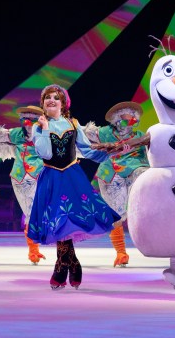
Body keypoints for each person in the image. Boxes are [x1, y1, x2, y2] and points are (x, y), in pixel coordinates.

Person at [27, 84, 120, 290]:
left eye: (56, 97)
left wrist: (111, 152)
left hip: (72, 177)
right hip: (51, 178)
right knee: (59, 221)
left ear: (63, 103)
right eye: (47, 97)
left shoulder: (73, 123)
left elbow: (86, 150)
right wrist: (44, 129)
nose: (51, 100)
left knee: (68, 220)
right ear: (42, 103)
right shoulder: (38, 127)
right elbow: (46, 154)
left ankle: (62, 266)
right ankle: (72, 263)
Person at [0, 105, 47, 264]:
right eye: (25, 120)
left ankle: (36, 247)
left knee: (37, 212)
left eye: (32, 120)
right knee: (30, 212)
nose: (28, 123)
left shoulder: (47, 135)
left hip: (41, 177)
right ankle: (33, 250)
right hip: (19, 178)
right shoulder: (16, 135)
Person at [84, 101, 149, 267]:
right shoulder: (104, 133)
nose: (132, 121)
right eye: (128, 117)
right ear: (117, 119)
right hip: (111, 173)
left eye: (134, 118)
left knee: (145, 188)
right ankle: (121, 253)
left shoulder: (140, 136)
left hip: (135, 170)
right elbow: (82, 136)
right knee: (116, 214)